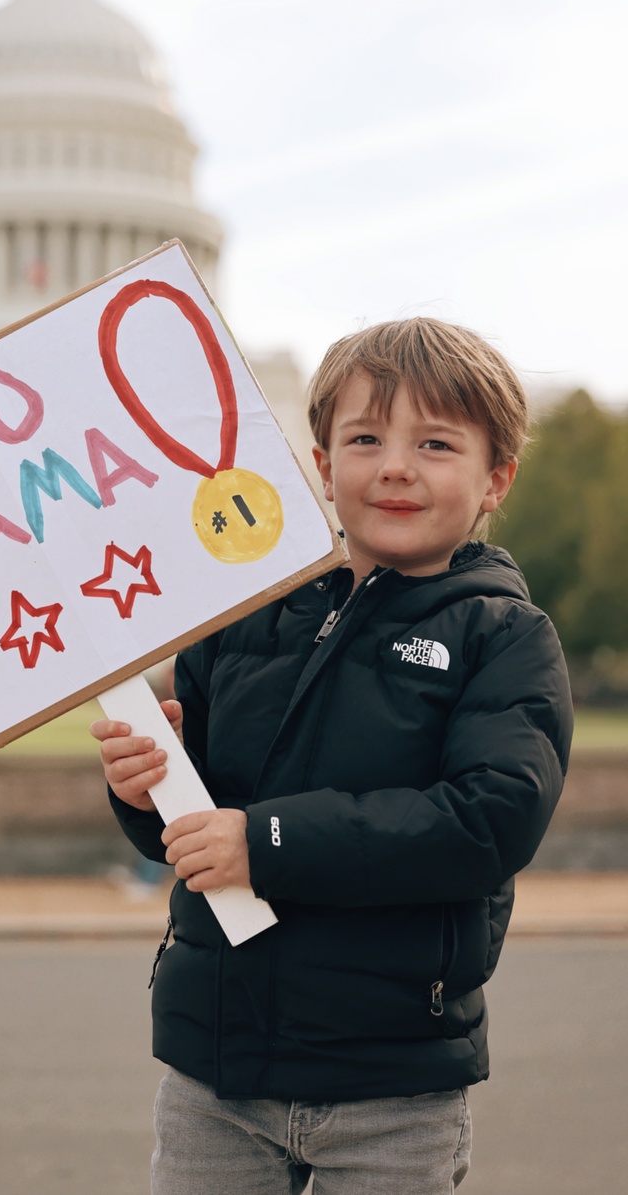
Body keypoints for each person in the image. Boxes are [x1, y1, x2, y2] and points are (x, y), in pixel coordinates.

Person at [90, 317, 573, 1195]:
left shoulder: (504, 637)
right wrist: (142, 784)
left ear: (495, 477)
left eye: (434, 442)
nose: (394, 465)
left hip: (392, 1081)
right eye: (365, 437)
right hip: (216, 1068)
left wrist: (264, 842)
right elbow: (193, 822)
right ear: (320, 463)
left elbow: (487, 820)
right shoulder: (237, 617)